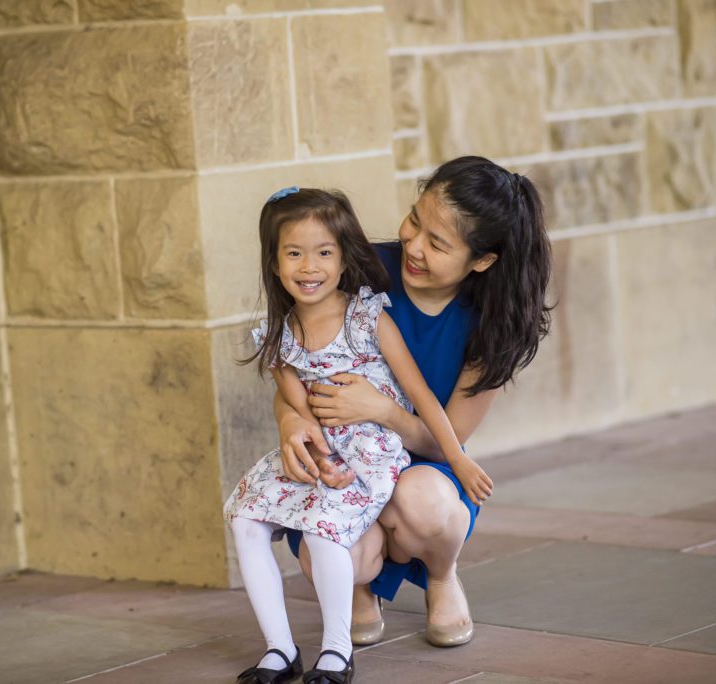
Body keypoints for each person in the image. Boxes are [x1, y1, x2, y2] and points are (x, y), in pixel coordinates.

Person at [274, 156, 552, 648]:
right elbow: (292, 367)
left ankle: (442, 575)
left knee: (420, 501)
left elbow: (447, 443)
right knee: (333, 555)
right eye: (414, 220)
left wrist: (381, 409)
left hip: (426, 470)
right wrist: (289, 422)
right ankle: (362, 583)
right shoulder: (360, 270)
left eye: (437, 243)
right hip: (345, 462)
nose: (413, 244)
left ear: (482, 260)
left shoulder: (494, 325)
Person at [225, 186, 493, 684]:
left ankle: (336, 652)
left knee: (327, 525)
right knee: (245, 519)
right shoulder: (278, 331)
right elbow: (295, 400)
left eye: (324, 253)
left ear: (344, 260)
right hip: (325, 449)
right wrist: (303, 436)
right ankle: (280, 650)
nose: (310, 266)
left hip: (372, 450)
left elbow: (422, 397)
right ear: (275, 261)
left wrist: (458, 459)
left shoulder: (368, 316)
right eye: (294, 253)